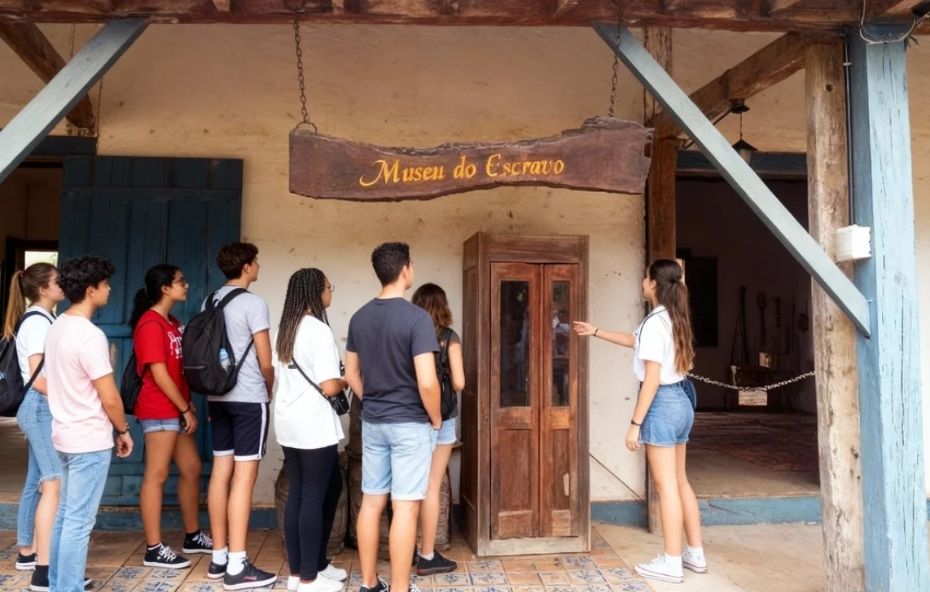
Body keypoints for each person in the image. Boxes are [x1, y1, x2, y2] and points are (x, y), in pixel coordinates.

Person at [573, 259, 706, 585]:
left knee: (666, 488)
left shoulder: (654, 322)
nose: (642, 281)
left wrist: (635, 423)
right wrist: (597, 331)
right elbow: (636, 341)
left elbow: (651, 379)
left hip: (661, 403)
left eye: (645, 277)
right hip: (682, 400)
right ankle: (695, 554)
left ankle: (672, 562)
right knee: (680, 480)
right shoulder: (675, 317)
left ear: (653, 285)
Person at [345, 242, 441, 592]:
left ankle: (370, 584)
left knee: (371, 502)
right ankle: (400, 588)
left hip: (374, 422)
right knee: (405, 508)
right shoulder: (417, 319)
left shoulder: (359, 316)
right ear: (405, 270)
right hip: (410, 423)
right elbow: (428, 382)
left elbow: (351, 373)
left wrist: (372, 399)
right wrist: (434, 418)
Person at [45, 256, 133, 592]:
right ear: (91, 289)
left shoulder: (57, 326)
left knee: (66, 516)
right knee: (79, 522)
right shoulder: (89, 335)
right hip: (88, 439)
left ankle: (57, 584)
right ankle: (67, 587)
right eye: (106, 284)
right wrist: (123, 430)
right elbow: (109, 396)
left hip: (64, 434)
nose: (110, 289)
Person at [204, 242, 278, 590]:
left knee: (221, 472)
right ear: (246, 266)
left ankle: (219, 557)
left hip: (216, 396)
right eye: (256, 262)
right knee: (244, 479)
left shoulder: (210, 300)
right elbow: (266, 360)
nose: (259, 266)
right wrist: (270, 387)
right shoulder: (253, 303)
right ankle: (238, 565)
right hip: (248, 398)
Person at [129, 264, 212, 569]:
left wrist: (184, 406)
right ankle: (153, 548)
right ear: (165, 288)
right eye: (180, 281)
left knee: (191, 467)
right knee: (157, 475)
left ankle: (192, 535)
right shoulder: (150, 324)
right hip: (159, 409)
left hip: (174, 409)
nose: (186, 285)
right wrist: (185, 408)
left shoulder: (171, 321)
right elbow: (160, 375)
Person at [274, 268, 349, 592]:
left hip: (290, 422)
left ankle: (312, 566)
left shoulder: (286, 328)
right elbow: (330, 386)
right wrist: (349, 377)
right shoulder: (317, 330)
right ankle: (307, 578)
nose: (331, 292)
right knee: (312, 496)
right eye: (329, 287)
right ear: (317, 292)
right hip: (312, 425)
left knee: (325, 488)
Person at [4, 263, 63, 590]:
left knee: (36, 479)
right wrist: (72, 400)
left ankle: (27, 548)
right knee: (52, 480)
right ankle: (34, 552)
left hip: (39, 408)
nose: (63, 285)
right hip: (40, 407)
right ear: (43, 289)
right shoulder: (39, 322)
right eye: (58, 281)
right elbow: (39, 379)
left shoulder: (45, 319)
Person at [410, 283, 464, 576]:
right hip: (442, 418)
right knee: (432, 484)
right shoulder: (449, 337)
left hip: (410, 415)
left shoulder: (409, 333)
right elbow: (459, 383)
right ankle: (427, 554)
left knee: (407, 486)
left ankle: (402, 547)